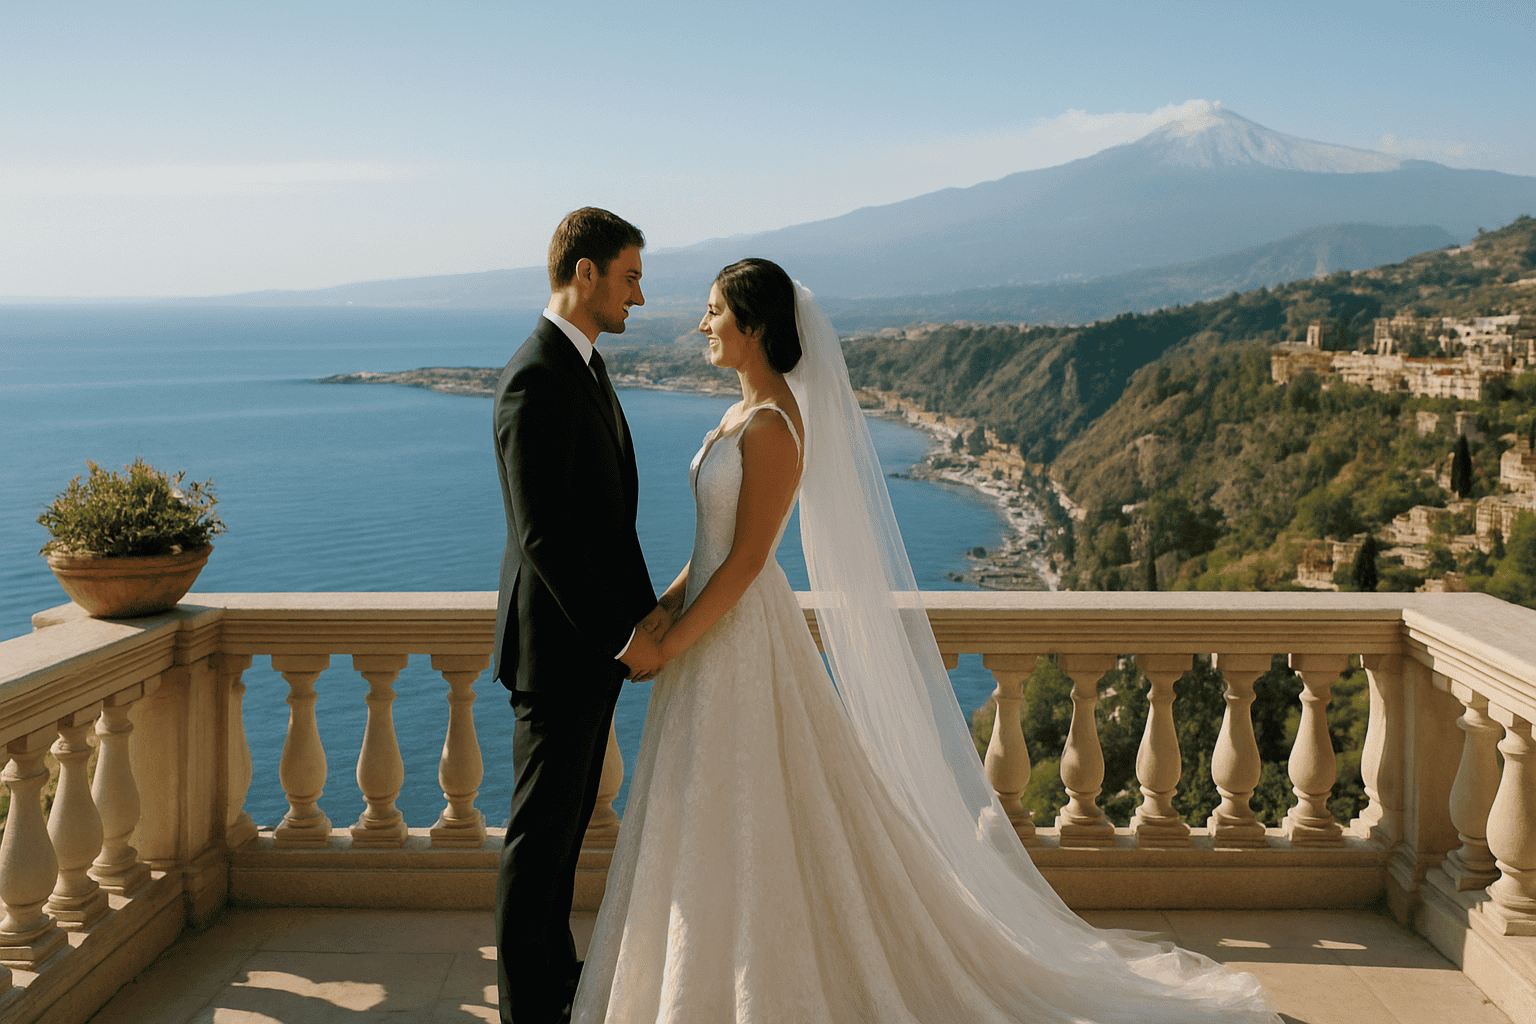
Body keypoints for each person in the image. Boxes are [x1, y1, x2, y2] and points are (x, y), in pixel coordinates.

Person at [571, 258, 1283, 1023]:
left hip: (739, 642)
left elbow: (748, 564)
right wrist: (662, 609)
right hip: (705, 637)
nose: (701, 325)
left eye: (714, 311)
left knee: (750, 808)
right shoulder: (735, 416)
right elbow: (710, 549)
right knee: (705, 811)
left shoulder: (774, 426)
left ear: (756, 326)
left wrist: (670, 647)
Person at [492, 207, 670, 1024]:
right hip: (557, 656)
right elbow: (545, 537)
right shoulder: (536, 376)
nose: (640, 295)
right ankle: (529, 1011)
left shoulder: (587, 368)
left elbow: (609, 524)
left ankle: (557, 991)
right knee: (537, 848)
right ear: (586, 274)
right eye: (630, 276)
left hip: (590, 654)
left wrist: (648, 622)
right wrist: (624, 636)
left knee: (563, 843)